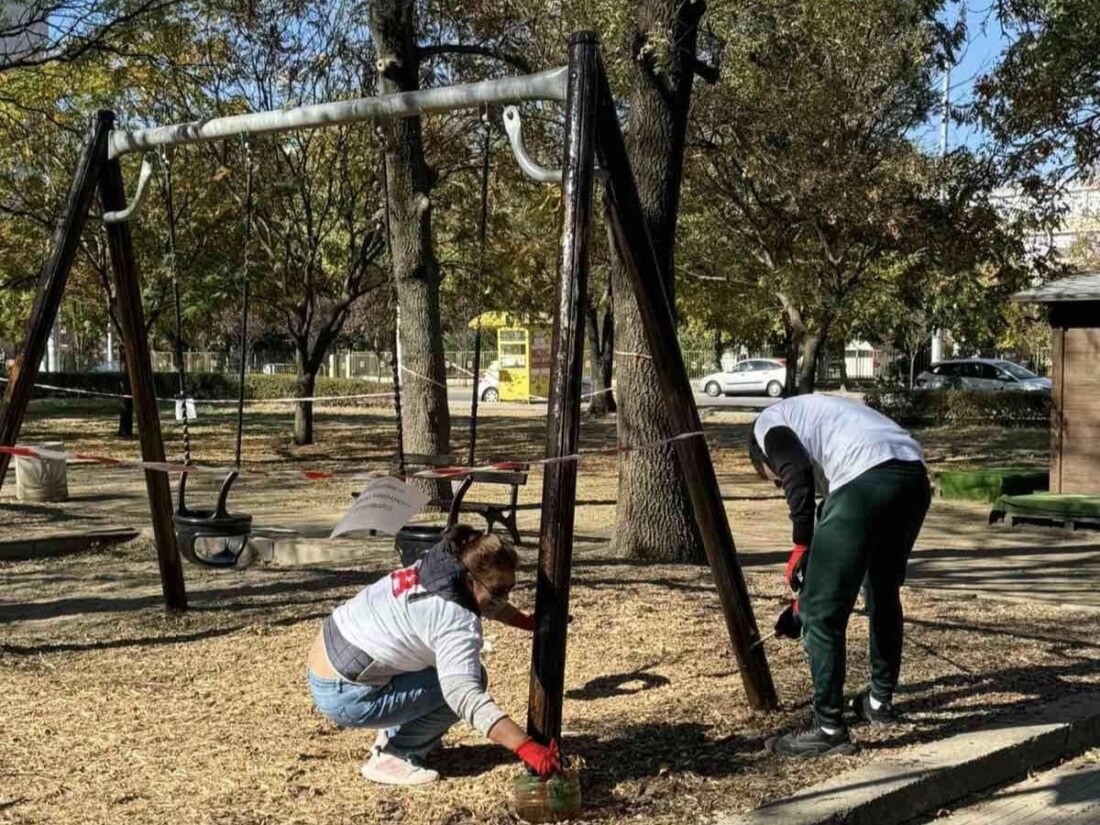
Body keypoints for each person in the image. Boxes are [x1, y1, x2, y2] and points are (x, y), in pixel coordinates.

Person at [748, 394, 931, 757]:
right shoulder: (822, 419)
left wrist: (800, 545)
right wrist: (801, 606)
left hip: (867, 480)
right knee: (882, 590)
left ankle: (829, 728)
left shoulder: (767, 424)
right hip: (912, 477)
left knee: (824, 617)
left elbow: (796, 473)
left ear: (761, 456)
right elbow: (837, 546)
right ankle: (879, 701)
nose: (776, 483)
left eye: (771, 478)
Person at [307, 525, 561, 785]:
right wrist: (525, 747)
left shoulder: (438, 566)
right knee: (464, 682)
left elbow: (484, 600)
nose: (505, 597)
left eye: (510, 588)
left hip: (333, 658)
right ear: (470, 580)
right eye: (499, 591)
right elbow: (464, 695)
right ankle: (395, 756)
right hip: (346, 694)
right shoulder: (455, 621)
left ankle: (397, 734)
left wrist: (525, 622)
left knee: (441, 666)